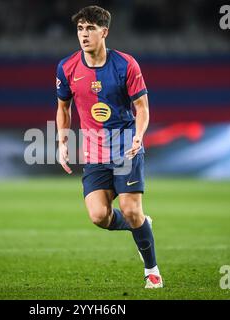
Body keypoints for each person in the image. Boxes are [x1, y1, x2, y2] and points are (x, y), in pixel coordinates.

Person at [55, 5, 163, 288]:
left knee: (130, 208)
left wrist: (139, 135)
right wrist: (62, 140)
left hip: (126, 146)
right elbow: (63, 108)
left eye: (90, 28)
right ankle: (142, 224)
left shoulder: (126, 64)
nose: (84, 34)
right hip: (94, 150)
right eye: (80, 29)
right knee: (98, 216)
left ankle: (151, 270)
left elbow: (142, 107)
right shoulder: (66, 67)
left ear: (104, 32)